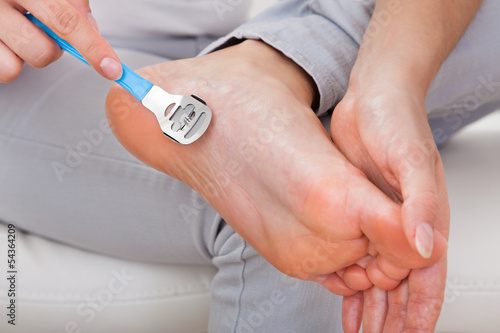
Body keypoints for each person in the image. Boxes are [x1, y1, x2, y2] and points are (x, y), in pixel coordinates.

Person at [1, 0, 499, 332]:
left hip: (258, 27)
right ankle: (280, 67)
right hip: (26, 64)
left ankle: (269, 65)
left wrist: (390, 78)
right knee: (306, 206)